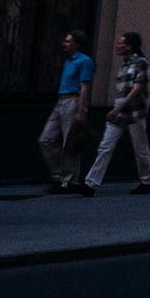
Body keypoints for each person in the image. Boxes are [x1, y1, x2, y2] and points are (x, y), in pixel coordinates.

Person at [81, 31, 150, 193]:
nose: (118, 46)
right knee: (105, 147)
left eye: (121, 43)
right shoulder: (124, 65)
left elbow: (137, 89)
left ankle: (148, 182)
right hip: (120, 113)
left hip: (135, 113)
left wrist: (116, 108)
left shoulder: (141, 63)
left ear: (129, 46)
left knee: (140, 149)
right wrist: (118, 109)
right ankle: (90, 184)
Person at [39, 32, 94, 192]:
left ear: (77, 44)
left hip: (72, 100)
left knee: (70, 143)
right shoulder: (69, 61)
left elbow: (84, 87)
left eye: (68, 41)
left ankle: (68, 181)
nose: (64, 43)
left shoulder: (84, 61)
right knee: (46, 139)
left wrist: (81, 109)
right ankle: (59, 175)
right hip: (61, 100)